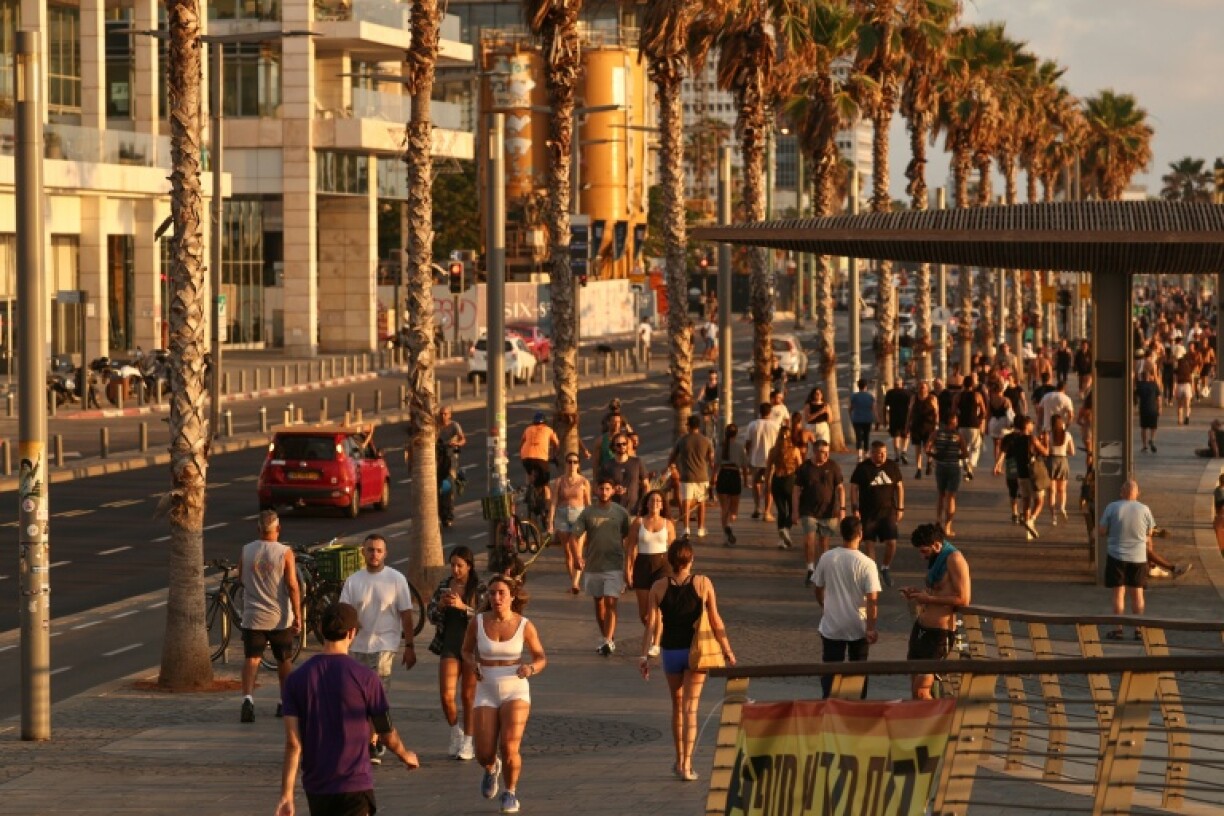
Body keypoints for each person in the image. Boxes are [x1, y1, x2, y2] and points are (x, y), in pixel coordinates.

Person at [277, 603, 419, 816]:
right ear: (352, 633)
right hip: (355, 784)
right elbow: (386, 732)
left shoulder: (296, 680)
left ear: (322, 630)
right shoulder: (367, 678)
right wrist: (405, 754)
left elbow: (293, 744)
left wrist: (287, 795)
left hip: (317, 786)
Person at [638, 538, 735, 782]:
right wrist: (727, 649)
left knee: (676, 705)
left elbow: (651, 623)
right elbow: (715, 620)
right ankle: (687, 764)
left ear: (669, 561)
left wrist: (644, 655)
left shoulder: (658, 587)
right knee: (691, 708)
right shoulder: (703, 583)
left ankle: (678, 759)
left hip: (671, 652)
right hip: (696, 652)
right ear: (691, 559)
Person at [462, 576, 547, 814]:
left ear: (512, 596)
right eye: (491, 593)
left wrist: (530, 668)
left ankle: (510, 792)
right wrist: (472, 664)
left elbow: (541, 657)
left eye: (501, 593)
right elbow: (466, 651)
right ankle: (491, 768)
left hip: (516, 688)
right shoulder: (478, 622)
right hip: (486, 688)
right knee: (483, 752)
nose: (496, 598)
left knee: (509, 746)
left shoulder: (524, 625)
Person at [339, 534, 417, 763]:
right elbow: (345, 612)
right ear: (363, 552)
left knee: (377, 694)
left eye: (379, 550)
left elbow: (406, 615)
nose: (374, 554)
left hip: (385, 645)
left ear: (386, 553)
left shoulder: (396, 579)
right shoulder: (353, 581)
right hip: (358, 646)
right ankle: (368, 738)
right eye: (370, 550)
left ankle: (372, 742)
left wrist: (409, 645)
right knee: (358, 698)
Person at [239, 509, 302, 724]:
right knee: (283, 659)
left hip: (253, 616)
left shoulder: (246, 550)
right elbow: (292, 585)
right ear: (278, 529)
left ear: (258, 529)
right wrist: (298, 615)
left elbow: (241, 578)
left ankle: (248, 698)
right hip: (279, 617)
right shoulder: (285, 552)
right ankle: (285, 701)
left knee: (252, 658)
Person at [427, 546, 486, 762]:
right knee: (446, 695)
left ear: (469, 566)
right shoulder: (444, 586)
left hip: (472, 648)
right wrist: (441, 606)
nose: (455, 569)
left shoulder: (479, 588)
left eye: (459, 565)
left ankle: (469, 741)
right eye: (452, 565)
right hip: (449, 644)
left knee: (468, 696)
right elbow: (431, 615)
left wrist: (464, 607)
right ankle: (455, 731)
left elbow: (485, 616)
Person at [899, 524, 972, 699]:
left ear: (937, 545)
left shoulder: (955, 559)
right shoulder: (936, 560)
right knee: (915, 688)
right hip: (921, 629)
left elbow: (964, 599)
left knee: (921, 691)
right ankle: (925, 724)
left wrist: (929, 600)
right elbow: (937, 591)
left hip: (939, 634)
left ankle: (940, 723)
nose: (922, 556)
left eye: (924, 551)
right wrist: (917, 593)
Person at [812, 517, 880, 699]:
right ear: (860, 534)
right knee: (859, 669)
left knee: (830, 668)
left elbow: (818, 588)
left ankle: (828, 703)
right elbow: (872, 600)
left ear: (841, 534)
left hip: (832, 625)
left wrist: (825, 606)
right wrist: (871, 628)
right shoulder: (867, 564)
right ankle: (857, 707)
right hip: (859, 625)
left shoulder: (827, 557)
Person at [573, 477, 633, 655]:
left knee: (611, 602)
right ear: (596, 491)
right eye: (601, 488)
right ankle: (607, 636)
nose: (604, 492)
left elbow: (629, 538)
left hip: (614, 564)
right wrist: (577, 556)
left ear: (613, 491)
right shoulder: (587, 513)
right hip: (593, 565)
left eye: (608, 488)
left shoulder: (621, 513)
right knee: (599, 604)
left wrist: (629, 564)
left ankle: (607, 641)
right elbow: (574, 536)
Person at [1098, 480, 1157, 641]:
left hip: (1116, 555)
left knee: (1118, 593)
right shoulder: (1145, 509)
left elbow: (1102, 531)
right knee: (1137, 593)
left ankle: (1118, 630)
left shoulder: (1112, 507)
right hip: (1138, 557)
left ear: (1122, 492)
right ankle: (1139, 630)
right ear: (1137, 493)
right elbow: (1150, 532)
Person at [849, 440, 905, 588]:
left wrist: (900, 508)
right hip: (868, 513)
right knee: (869, 544)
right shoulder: (863, 468)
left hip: (888, 512)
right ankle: (873, 574)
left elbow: (899, 487)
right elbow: (853, 487)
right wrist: (855, 507)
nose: (882, 456)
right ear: (871, 453)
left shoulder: (892, 466)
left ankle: (885, 567)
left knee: (892, 543)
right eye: (878, 453)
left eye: (884, 453)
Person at [626, 490, 675, 659]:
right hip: (642, 565)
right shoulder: (638, 523)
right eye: (652, 500)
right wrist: (628, 569)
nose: (655, 503)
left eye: (659, 501)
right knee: (644, 613)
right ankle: (652, 633)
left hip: (662, 567)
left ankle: (656, 643)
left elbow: (673, 549)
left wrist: (676, 572)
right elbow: (630, 547)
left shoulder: (668, 524)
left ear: (662, 505)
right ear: (647, 503)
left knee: (657, 609)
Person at [794, 439, 845, 587]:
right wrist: (795, 511)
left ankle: (823, 570)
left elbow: (840, 488)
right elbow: (796, 490)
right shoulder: (805, 468)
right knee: (809, 540)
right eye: (822, 452)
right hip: (808, 510)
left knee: (824, 543)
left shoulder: (833, 466)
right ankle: (810, 568)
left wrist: (842, 509)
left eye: (827, 452)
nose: (825, 455)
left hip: (829, 512)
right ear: (815, 452)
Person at [995, 415, 1047, 540]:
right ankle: (1032, 520)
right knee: (1040, 501)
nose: (1032, 425)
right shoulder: (1031, 439)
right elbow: (1045, 452)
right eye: (1031, 424)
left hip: (1021, 474)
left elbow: (1005, 451)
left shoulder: (1014, 439)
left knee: (1026, 500)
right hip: (1033, 474)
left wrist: (998, 464)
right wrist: (1045, 441)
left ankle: (1027, 530)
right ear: (1026, 425)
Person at [549, 452, 590, 594]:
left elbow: (588, 503)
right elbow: (554, 501)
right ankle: (573, 580)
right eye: (569, 462)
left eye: (575, 462)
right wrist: (550, 522)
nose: (572, 464)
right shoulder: (560, 481)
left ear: (578, 464)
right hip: (562, 515)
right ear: (566, 464)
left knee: (577, 551)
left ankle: (575, 583)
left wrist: (590, 522)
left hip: (578, 515)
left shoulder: (584, 482)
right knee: (567, 552)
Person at [667, 415, 715, 538]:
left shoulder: (682, 440)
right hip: (702, 476)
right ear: (698, 426)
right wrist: (714, 473)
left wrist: (672, 468)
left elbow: (672, 457)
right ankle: (700, 528)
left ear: (688, 425)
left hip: (686, 476)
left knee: (686, 502)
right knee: (701, 503)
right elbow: (711, 461)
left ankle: (686, 529)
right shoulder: (706, 440)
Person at [765, 415, 806, 551]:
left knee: (781, 511)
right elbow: (800, 468)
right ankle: (786, 530)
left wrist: (767, 484)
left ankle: (781, 539)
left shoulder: (773, 451)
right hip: (790, 481)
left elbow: (768, 468)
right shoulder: (795, 450)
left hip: (777, 480)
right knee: (794, 509)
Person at [927, 413, 968, 538]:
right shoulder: (958, 436)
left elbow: (927, 449)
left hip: (940, 466)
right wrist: (956, 456)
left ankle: (938, 521)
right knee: (951, 497)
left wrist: (936, 456)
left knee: (941, 495)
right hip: (953, 467)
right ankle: (948, 526)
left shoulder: (936, 434)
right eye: (954, 422)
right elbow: (965, 453)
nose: (954, 424)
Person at [743, 402, 781, 520]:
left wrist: (748, 455)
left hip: (755, 459)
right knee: (769, 486)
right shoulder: (775, 425)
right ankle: (767, 511)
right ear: (770, 412)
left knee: (756, 484)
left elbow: (748, 443)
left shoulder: (752, 425)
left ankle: (757, 507)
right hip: (771, 460)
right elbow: (780, 443)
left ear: (760, 411)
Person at [597, 431, 649, 516]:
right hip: (613, 509)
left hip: (634, 509)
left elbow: (646, 485)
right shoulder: (607, 465)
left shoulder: (637, 462)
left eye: (624, 444)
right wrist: (613, 490)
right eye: (618, 445)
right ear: (613, 447)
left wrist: (644, 505)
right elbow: (599, 488)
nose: (622, 446)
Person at [714, 423, 746, 546]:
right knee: (734, 508)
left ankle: (725, 535)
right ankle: (730, 525)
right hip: (734, 476)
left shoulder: (720, 446)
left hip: (723, 474)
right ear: (736, 434)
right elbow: (744, 466)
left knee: (724, 508)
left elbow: (716, 464)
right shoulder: (739, 446)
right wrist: (744, 479)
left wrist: (713, 477)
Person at [519, 411, 560, 509]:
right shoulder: (549, 430)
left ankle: (529, 487)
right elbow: (557, 444)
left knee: (529, 473)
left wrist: (522, 454)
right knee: (545, 484)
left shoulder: (528, 429)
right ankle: (547, 506)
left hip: (526, 457)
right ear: (545, 422)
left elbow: (521, 443)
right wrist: (554, 455)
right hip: (541, 459)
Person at [437, 406, 467, 528]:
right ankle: (441, 513)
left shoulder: (454, 425)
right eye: (441, 414)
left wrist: (457, 443)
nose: (443, 416)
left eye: (445, 414)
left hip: (451, 460)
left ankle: (448, 514)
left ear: (450, 415)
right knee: (438, 487)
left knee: (447, 485)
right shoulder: (436, 426)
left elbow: (463, 439)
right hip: (438, 459)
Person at [952, 375, 986, 479]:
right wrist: (980, 420)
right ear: (973, 384)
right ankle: (970, 465)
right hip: (974, 425)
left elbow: (953, 411)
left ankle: (966, 465)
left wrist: (958, 416)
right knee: (975, 448)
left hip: (962, 425)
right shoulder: (977, 395)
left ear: (963, 384)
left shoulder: (958, 396)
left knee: (963, 447)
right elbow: (984, 411)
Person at [1044, 415, 1075, 526]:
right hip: (1063, 461)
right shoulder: (1067, 435)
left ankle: (1053, 516)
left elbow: (1046, 450)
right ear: (1062, 423)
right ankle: (1062, 507)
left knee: (1052, 491)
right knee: (1062, 489)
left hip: (1051, 460)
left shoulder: (1048, 435)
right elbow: (1072, 452)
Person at [906, 381, 939, 479]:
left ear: (927, 389)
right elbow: (910, 412)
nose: (921, 389)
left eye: (923, 387)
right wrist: (907, 426)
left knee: (928, 447)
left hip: (929, 426)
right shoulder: (914, 398)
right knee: (917, 448)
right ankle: (919, 469)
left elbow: (936, 413)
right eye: (920, 387)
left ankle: (929, 461)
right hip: (916, 426)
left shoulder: (932, 398)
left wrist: (936, 425)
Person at [883, 380, 913, 463]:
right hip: (905, 418)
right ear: (902, 385)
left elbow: (885, 407)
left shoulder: (890, 393)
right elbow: (911, 407)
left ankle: (896, 454)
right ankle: (904, 451)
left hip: (894, 417)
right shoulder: (908, 393)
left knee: (896, 436)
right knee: (906, 435)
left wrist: (885, 419)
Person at [848, 379, 876, 462]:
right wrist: (876, 418)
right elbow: (873, 408)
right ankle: (866, 453)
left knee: (858, 437)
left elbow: (850, 408)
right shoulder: (870, 396)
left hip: (857, 419)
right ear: (866, 386)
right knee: (866, 435)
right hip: (867, 418)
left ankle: (859, 455)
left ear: (858, 386)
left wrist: (851, 416)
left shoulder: (854, 396)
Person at [1135, 368, 1161, 453]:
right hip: (1153, 408)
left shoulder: (1140, 385)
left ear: (1142, 377)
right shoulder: (1154, 385)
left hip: (1143, 408)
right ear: (1149, 376)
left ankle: (1144, 446)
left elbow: (1137, 397)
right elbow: (1159, 397)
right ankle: (1152, 439)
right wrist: (1160, 408)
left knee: (1143, 428)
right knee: (1153, 426)